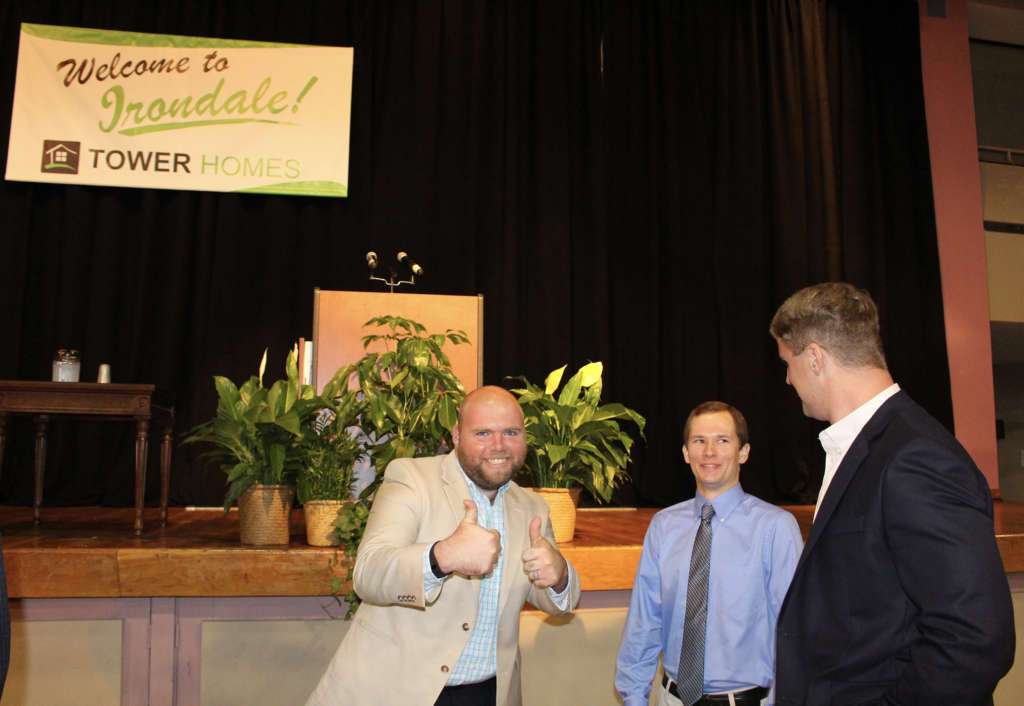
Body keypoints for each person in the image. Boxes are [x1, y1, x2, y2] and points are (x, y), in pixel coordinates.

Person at [769, 282, 1014, 705]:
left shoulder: (915, 456)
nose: (787, 379)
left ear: (814, 357)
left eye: (787, 363)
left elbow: (974, 638)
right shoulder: (867, 445)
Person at [305, 385, 580, 706]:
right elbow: (369, 573)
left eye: (511, 432)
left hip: (490, 694)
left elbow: (559, 602)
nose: (499, 445)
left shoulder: (533, 507)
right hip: (400, 692)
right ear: (456, 435)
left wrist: (559, 575)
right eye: (482, 433)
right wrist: (441, 557)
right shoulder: (411, 479)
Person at [616, 401, 803, 706]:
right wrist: (634, 698)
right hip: (672, 698)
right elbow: (644, 622)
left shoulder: (775, 529)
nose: (709, 452)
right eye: (699, 441)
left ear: (743, 452)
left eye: (723, 440)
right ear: (686, 453)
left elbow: (794, 632)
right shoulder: (664, 526)